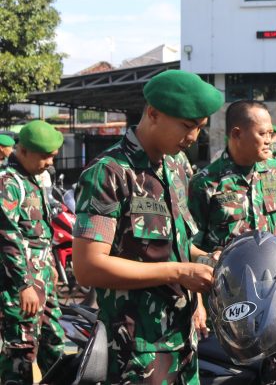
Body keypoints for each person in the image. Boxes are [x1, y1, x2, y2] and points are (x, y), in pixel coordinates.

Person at [71, 70, 223, 384]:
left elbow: (176, 245)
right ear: (153, 113)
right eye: (187, 125)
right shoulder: (109, 173)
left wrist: (204, 260)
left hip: (183, 338)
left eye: (199, 127)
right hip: (136, 347)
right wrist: (179, 272)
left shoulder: (177, 165)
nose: (193, 137)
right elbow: (88, 266)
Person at [0, 120, 66, 384]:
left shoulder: (32, 179)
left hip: (42, 282)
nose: (50, 162)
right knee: (22, 355)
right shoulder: (8, 183)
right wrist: (25, 283)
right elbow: (7, 236)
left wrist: (50, 270)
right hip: (21, 286)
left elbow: (40, 235)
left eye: (52, 156)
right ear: (23, 151)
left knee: (56, 344)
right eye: (45, 156)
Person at [189, 100, 276, 253]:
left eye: (271, 133)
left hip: (272, 267)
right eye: (262, 134)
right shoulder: (205, 182)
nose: (268, 141)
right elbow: (191, 244)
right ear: (237, 134)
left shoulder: (273, 169)